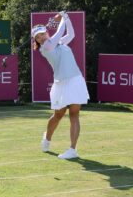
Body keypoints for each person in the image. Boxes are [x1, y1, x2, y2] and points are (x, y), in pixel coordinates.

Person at [31, 11, 89, 159]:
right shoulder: (46, 48)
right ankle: (47, 138)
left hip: (75, 80)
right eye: (38, 37)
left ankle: (72, 150)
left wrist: (66, 17)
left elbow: (71, 34)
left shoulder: (60, 43)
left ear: (46, 33)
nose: (41, 37)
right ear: (36, 41)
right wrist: (63, 16)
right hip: (61, 84)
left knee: (74, 114)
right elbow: (60, 31)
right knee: (58, 115)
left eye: (42, 34)